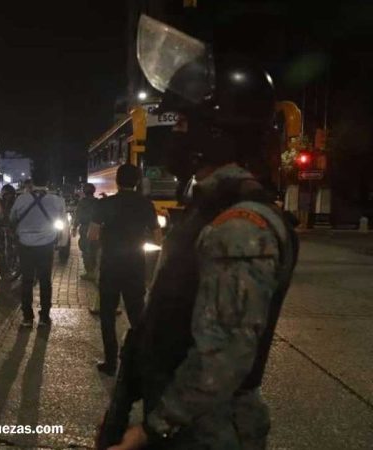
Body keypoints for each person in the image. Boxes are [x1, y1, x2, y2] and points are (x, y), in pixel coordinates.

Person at [103, 15, 298, 449]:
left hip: (209, 433)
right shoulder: (210, 209)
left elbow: (224, 355)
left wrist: (152, 428)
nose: (175, 131)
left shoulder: (241, 225)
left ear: (217, 133)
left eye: (185, 122)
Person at [89, 165, 160, 375]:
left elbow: (92, 235)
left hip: (111, 265)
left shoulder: (105, 204)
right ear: (137, 182)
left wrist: (105, 236)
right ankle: (140, 360)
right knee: (137, 314)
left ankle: (110, 363)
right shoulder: (146, 204)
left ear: (117, 181)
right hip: (135, 265)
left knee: (108, 315)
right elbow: (157, 237)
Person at [10, 169, 66, 328]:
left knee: (27, 280)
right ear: (47, 183)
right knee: (45, 280)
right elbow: (61, 220)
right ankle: (44, 317)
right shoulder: (57, 200)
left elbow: (12, 218)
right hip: (46, 244)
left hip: (25, 244)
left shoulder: (21, 199)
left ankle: (27, 317)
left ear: (32, 182)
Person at [72, 183, 100, 281]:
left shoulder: (82, 203)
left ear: (84, 191)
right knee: (95, 249)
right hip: (96, 228)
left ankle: (89, 272)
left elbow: (78, 216)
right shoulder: (98, 202)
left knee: (86, 250)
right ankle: (94, 270)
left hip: (85, 229)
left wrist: (74, 228)